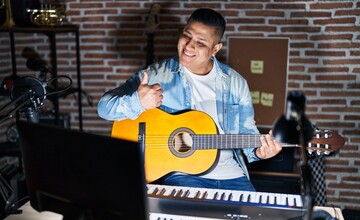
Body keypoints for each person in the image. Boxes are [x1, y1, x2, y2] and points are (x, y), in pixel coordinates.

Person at [97, 8, 282, 191]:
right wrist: (138, 102)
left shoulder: (236, 83)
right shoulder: (157, 74)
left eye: (200, 43)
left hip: (232, 176)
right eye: (187, 35)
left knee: (255, 217)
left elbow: (246, 133)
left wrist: (259, 151)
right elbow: (104, 108)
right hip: (181, 176)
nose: (189, 46)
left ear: (215, 49)